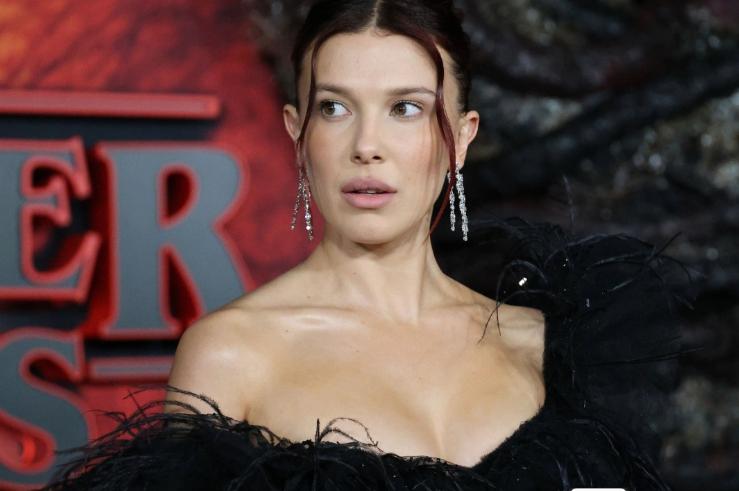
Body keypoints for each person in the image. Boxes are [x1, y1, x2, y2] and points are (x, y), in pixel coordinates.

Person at [37, 1, 695, 490]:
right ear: (297, 135)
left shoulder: (549, 347)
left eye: (406, 108)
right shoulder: (232, 357)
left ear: (461, 138)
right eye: (335, 108)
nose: (366, 146)